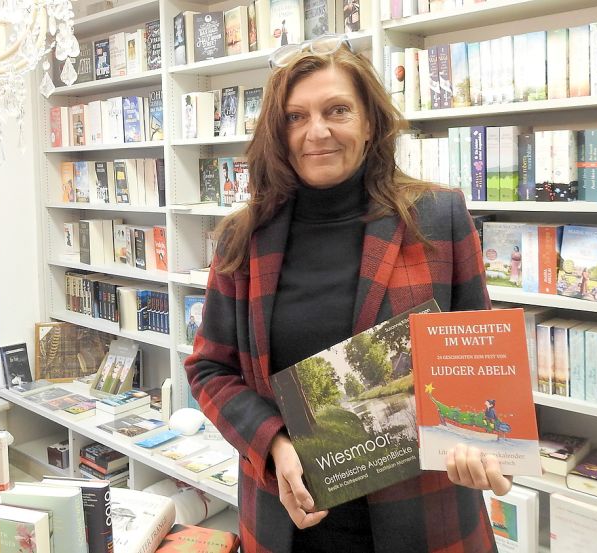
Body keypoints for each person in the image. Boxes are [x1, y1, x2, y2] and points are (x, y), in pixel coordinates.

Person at [184, 35, 508, 553]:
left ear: (370, 122)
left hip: (425, 520)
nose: (317, 132)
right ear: (277, 130)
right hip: (289, 522)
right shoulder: (243, 239)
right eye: (296, 116)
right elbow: (209, 369)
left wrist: (482, 447)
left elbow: (475, 356)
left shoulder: (438, 216)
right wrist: (274, 443)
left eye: (338, 110)